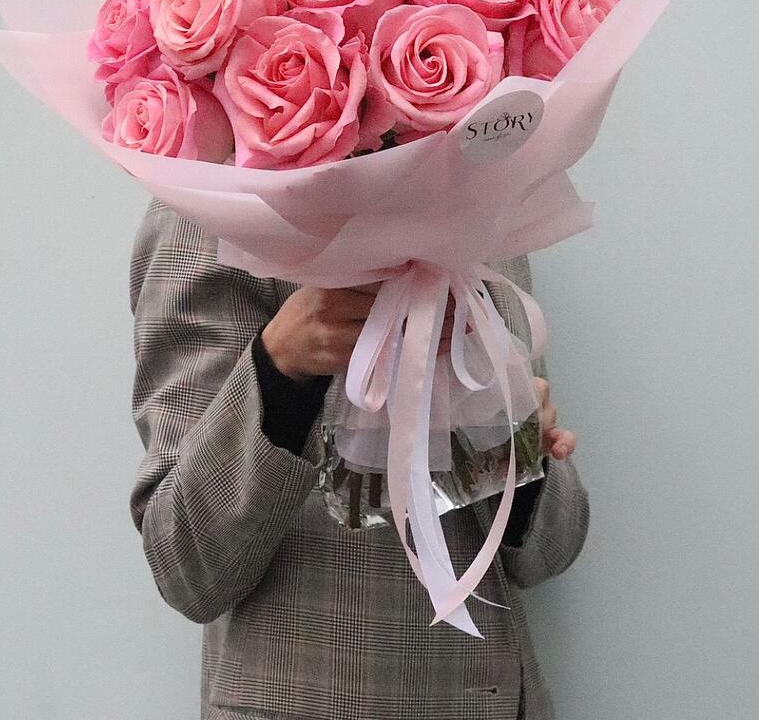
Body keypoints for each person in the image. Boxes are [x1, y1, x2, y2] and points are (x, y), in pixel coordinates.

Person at [128, 196, 589, 720]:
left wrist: (519, 451)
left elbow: (550, 554)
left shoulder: (486, 200)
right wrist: (281, 367)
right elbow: (186, 569)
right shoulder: (212, 209)